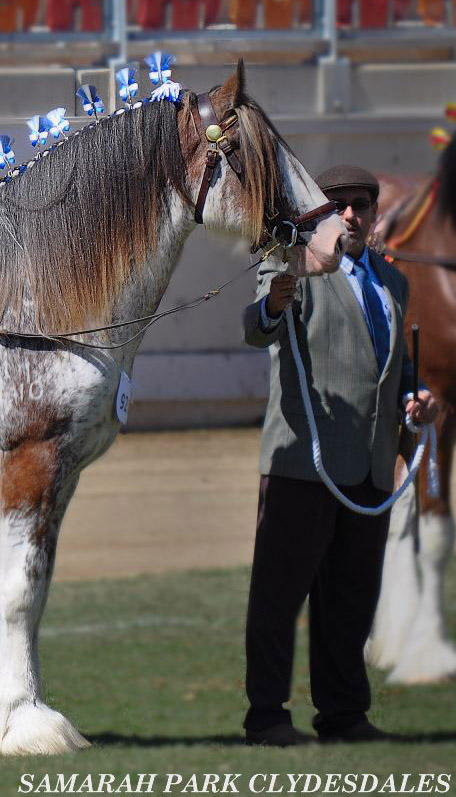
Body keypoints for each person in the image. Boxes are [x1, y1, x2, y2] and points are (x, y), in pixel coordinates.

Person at [240, 165, 438, 746]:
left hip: (372, 465)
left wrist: (414, 400)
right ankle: (268, 717)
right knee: (279, 597)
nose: (352, 214)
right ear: (321, 213)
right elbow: (257, 328)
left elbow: (396, 370)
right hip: (305, 459)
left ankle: (345, 715)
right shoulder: (290, 264)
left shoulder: (393, 282)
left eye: (362, 205)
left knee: (351, 599)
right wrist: (275, 302)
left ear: (375, 215)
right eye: (339, 204)